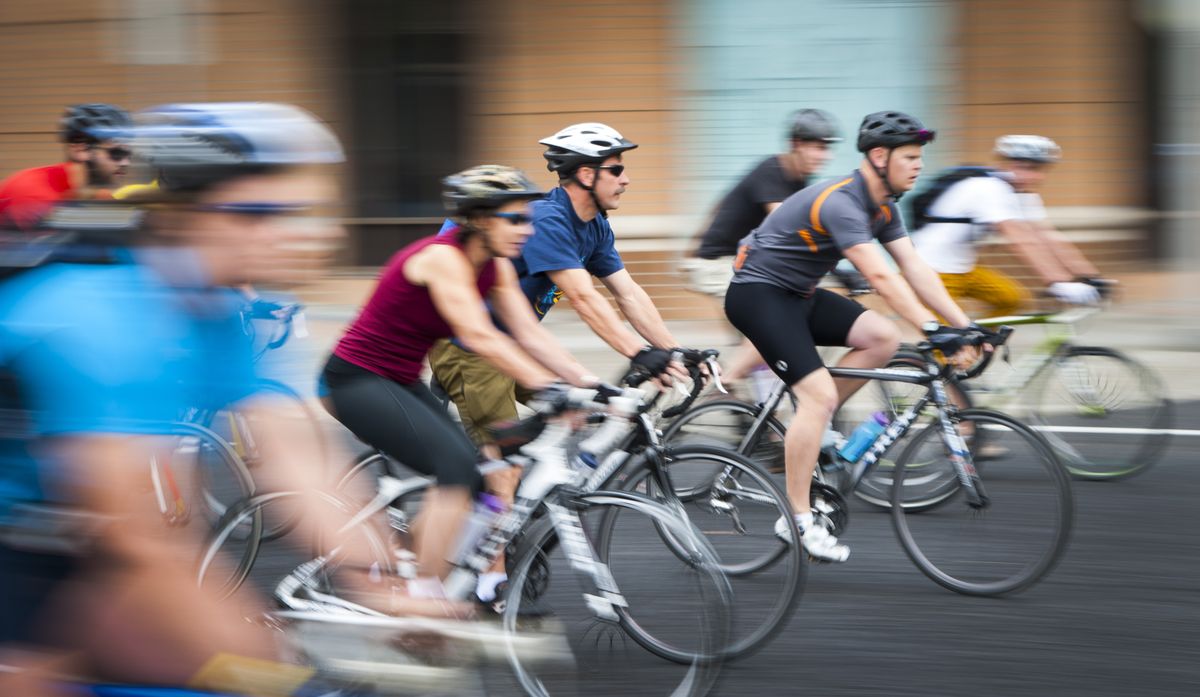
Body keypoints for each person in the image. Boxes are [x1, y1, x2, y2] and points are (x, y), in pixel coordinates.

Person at [0, 102, 358, 696]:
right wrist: (270, 670)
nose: (307, 234)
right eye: (265, 213)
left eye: (308, 212)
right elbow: (135, 541)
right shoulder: (102, 318)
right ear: (190, 215)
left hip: (56, 533)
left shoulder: (222, 307)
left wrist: (388, 583)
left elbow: (299, 462)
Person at [320, 164, 598, 609]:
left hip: (401, 380)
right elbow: (479, 334)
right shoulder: (442, 258)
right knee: (454, 466)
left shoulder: (497, 266)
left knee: (475, 475)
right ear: (479, 219)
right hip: (354, 379)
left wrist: (587, 383)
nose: (527, 229)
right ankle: (424, 599)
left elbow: (527, 332)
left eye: (527, 218)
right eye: (515, 219)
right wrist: (547, 389)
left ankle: (398, 567)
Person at [724, 111, 979, 562]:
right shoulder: (844, 201)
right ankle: (798, 518)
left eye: (920, 157)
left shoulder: (884, 207)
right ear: (879, 157)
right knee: (819, 396)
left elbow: (915, 269)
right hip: (757, 295)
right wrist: (934, 330)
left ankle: (812, 425)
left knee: (882, 338)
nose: (919, 165)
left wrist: (963, 326)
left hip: (799, 295)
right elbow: (880, 274)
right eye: (911, 157)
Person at [682, 109, 842, 384]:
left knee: (768, 341)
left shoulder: (797, 181)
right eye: (817, 147)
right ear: (796, 145)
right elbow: (790, 229)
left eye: (826, 148)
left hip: (743, 264)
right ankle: (720, 390)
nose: (823, 155)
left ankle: (748, 403)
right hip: (719, 265)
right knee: (771, 331)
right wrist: (841, 269)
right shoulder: (771, 172)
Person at [910, 135, 1103, 316]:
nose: (1033, 176)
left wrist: (1089, 275)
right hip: (931, 272)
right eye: (1024, 167)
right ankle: (963, 346)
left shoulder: (1022, 195)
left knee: (1011, 299)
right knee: (951, 344)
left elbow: (1047, 237)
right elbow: (1020, 240)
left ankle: (981, 346)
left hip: (964, 270)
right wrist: (1058, 281)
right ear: (1005, 164)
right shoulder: (986, 188)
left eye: (1038, 169)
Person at [0, 104, 133, 231]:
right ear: (79, 148)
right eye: (117, 153)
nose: (125, 163)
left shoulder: (100, 196)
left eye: (128, 154)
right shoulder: (34, 194)